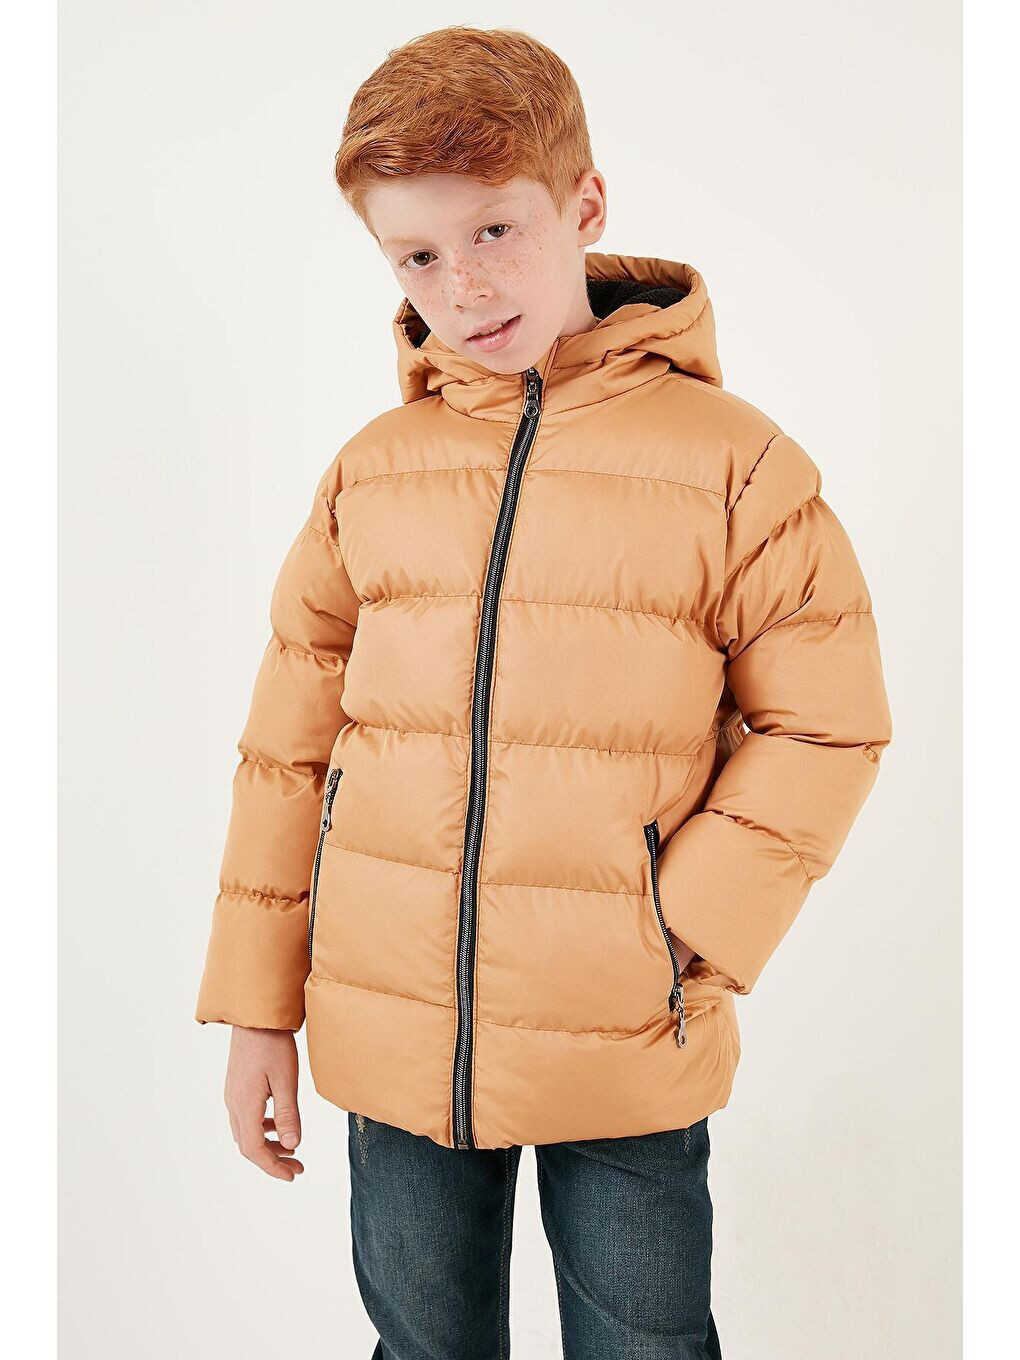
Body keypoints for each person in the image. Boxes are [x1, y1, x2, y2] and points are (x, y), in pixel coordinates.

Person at [195, 24, 892, 1360]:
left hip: (624, 1037)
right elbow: (286, 752)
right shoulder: (372, 474)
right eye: (416, 256)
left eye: (495, 231)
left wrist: (679, 926)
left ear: (585, 205)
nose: (461, 285)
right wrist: (258, 1008)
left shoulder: (736, 468)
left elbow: (829, 719)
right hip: (391, 1033)